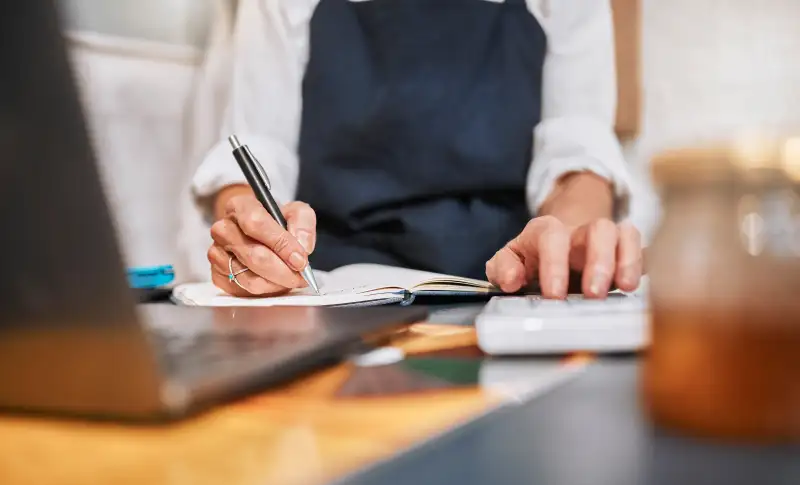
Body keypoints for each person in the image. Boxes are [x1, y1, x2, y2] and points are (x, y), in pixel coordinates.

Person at [183, 0, 643, 300]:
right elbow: (258, 146)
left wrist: (566, 236)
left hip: (507, 282)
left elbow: (577, 149)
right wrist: (251, 234)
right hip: (334, 289)